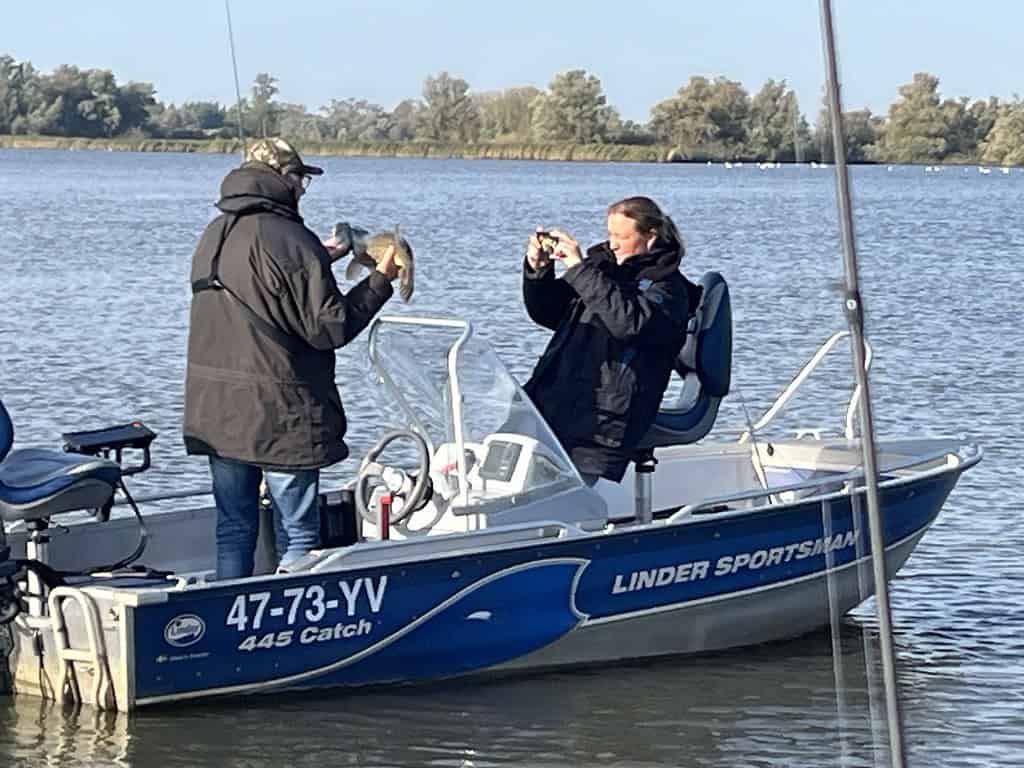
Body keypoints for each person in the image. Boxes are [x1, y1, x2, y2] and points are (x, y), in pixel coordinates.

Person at [183, 137, 400, 579]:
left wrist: (322, 257)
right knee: (299, 535)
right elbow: (330, 327)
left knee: (233, 528)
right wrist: (380, 281)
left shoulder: (213, 233)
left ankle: (230, 619)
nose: (303, 188)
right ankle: (293, 630)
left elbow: (267, 288)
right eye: (301, 177)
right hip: (279, 414)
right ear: (281, 178)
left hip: (218, 411)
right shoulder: (290, 236)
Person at [522, 196, 699, 484]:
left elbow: (629, 323)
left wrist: (579, 268)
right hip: (554, 402)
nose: (613, 243)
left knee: (557, 499)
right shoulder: (602, 269)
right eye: (610, 234)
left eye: (622, 236)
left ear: (650, 238)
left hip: (601, 423)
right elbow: (548, 312)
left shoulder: (669, 290)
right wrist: (538, 270)